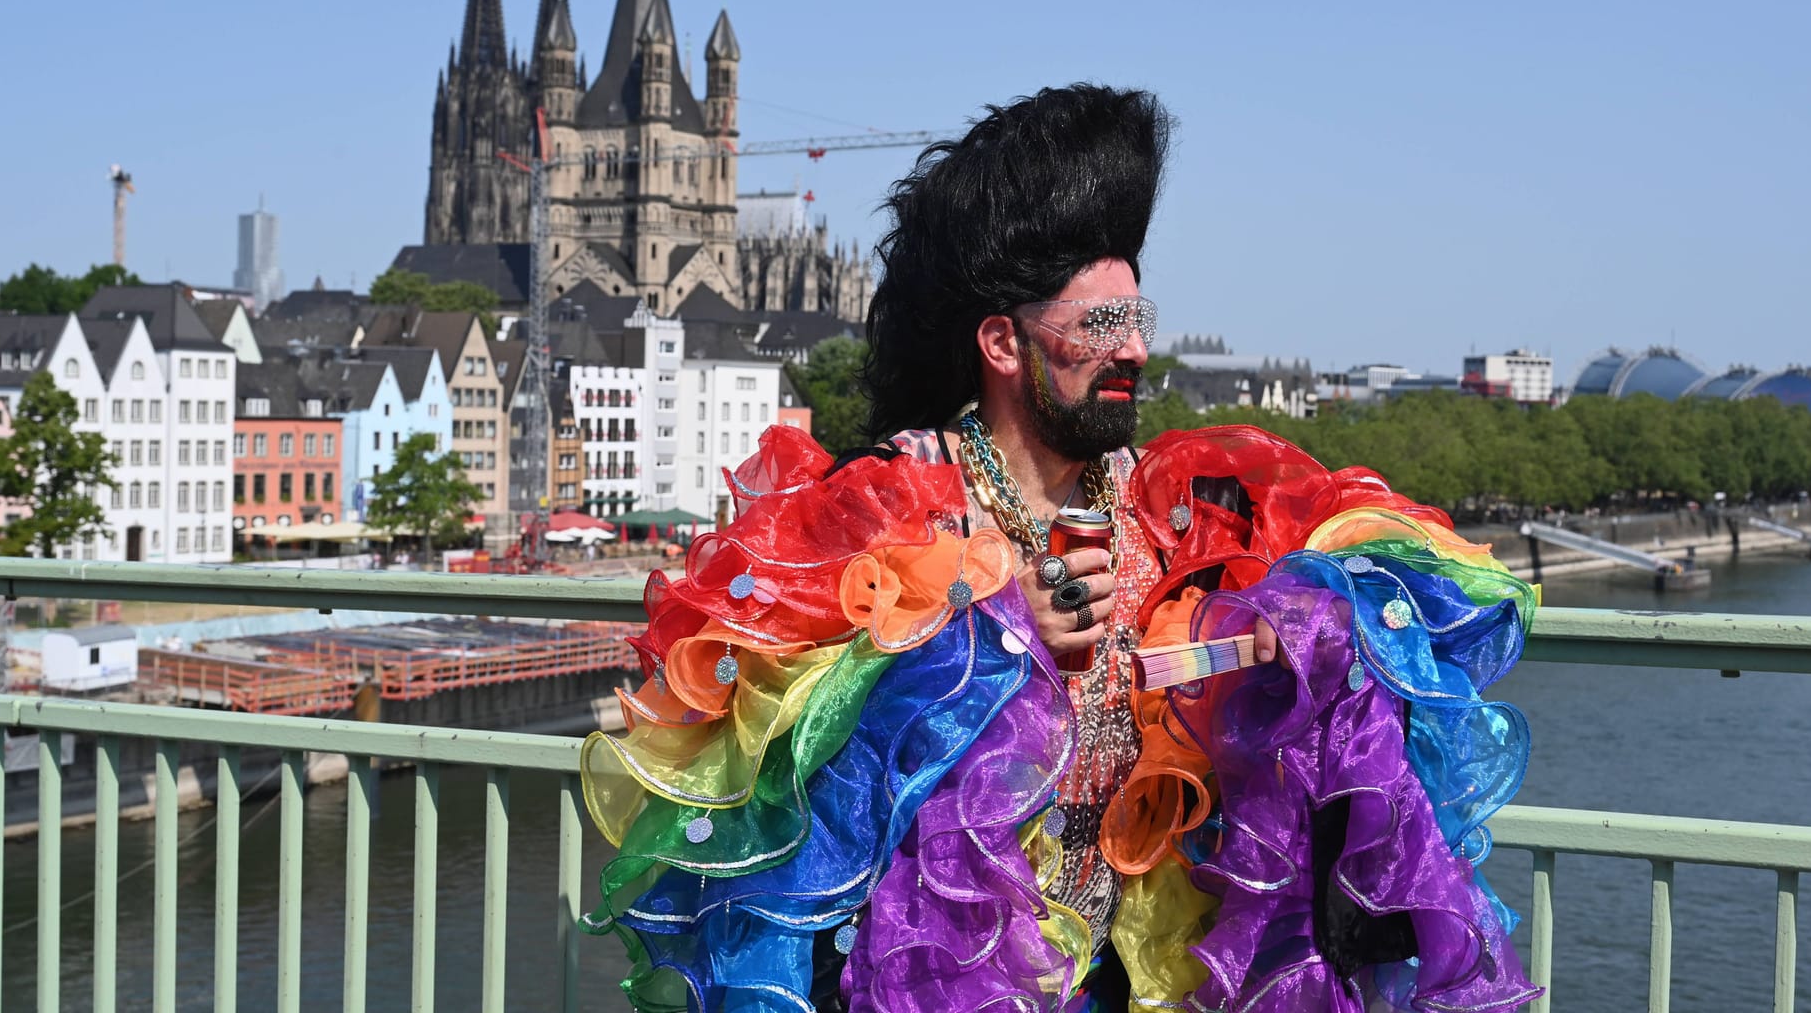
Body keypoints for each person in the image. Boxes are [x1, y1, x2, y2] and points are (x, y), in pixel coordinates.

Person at [579, 84, 1538, 1012]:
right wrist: (988, 640)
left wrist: (1292, 637)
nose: (1135, 351)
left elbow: (1389, 566)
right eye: (1102, 325)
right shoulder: (889, 506)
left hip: (1123, 977)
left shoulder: (1172, 512)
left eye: (1139, 320)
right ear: (1004, 344)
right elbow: (777, 771)